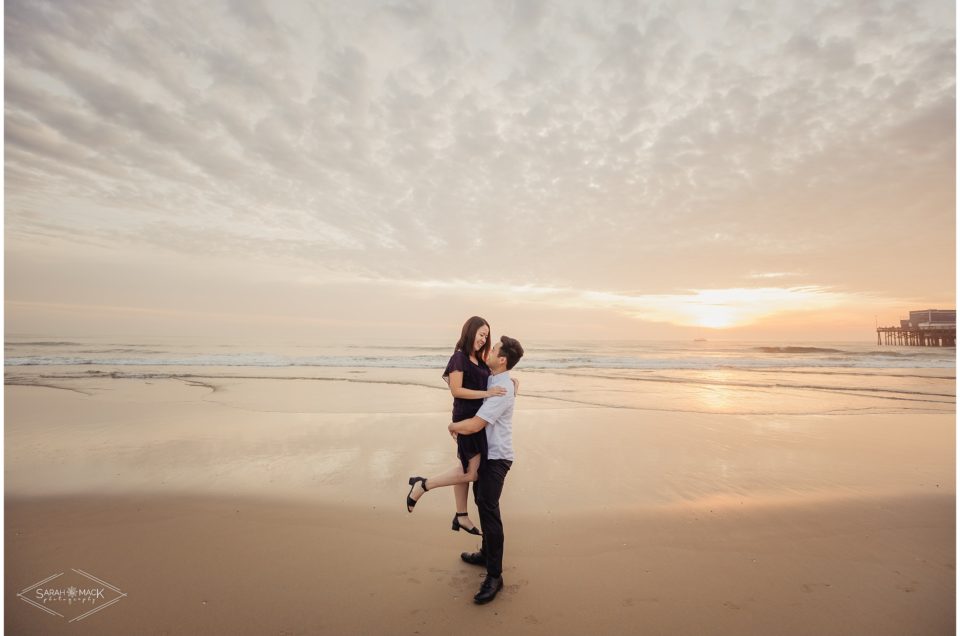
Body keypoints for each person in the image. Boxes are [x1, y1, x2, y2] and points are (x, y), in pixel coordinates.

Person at [405, 316, 509, 535]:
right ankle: (423, 485)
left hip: (479, 420)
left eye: (486, 336)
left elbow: (494, 377)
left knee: (465, 467)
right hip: (466, 419)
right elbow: (456, 390)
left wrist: (513, 381)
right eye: (481, 334)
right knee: (471, 473)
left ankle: (461, 515)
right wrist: (486, 393)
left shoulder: (479, 361)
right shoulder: (459, 358)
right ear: (470, 331)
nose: (484, 339)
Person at [449, 335, 524, 605]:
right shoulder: (494, 378)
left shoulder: (502, 389)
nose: (488, 350)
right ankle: (485, 553)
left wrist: (453, 426)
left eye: (493, 349)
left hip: (498, 458)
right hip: (486, 454)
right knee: (482, 503)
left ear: (502, 359)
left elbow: (475, 425)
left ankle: (495, 576)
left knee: (488, 509)